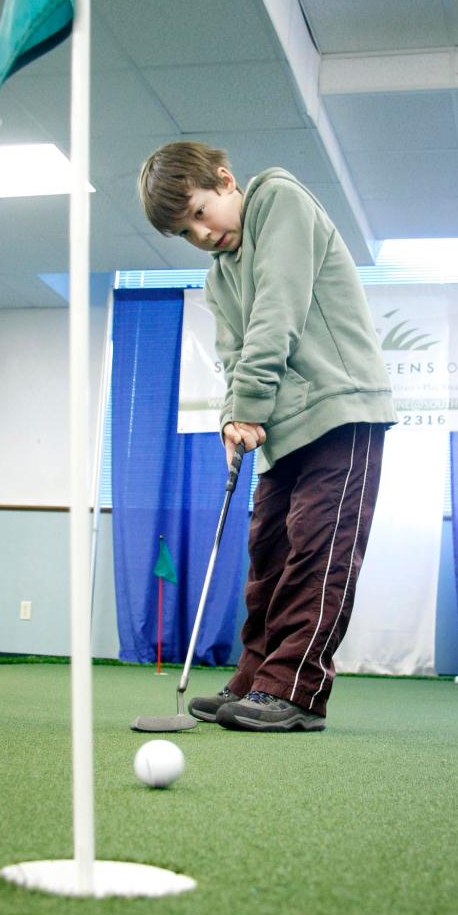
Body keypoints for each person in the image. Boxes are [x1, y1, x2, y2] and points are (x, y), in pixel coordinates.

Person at [138, 141, 396, 731]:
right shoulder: (217, 278)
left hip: (341, 408)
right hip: (280, 429)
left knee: (318, 548)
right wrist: (234, 417)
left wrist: (250, 404)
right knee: (268, 553)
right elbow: (234, 357)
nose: (200, 234)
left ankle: (296, 691)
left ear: (226, 181)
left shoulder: (279, 201)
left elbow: (277, 313)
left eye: (200, 213)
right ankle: (256, 678)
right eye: (185, 232)